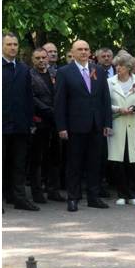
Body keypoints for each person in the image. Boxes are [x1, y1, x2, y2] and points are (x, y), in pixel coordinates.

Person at [54, 40, 113, 212]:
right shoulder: (64, 72)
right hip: (74, 126)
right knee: (74, 163)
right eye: (79, 49)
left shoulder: (98, 71)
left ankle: (93, 197)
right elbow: (59, 102)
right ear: (72, 52)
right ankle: (73, 197)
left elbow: (105, 99)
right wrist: (61, 127)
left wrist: (107, 123)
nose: (83, 52)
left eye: (86, 49)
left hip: (96, 124)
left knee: (95, 163)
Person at [2, 33, 39, 211]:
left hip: (20, 125)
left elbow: (28, 97)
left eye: (15, 44)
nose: (12, 48)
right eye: (9, 44)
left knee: (18, 164)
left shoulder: (24, 69)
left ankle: (19, 198)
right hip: (1, 124)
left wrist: (30, 121)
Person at [106, 51, 135, 206]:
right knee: (118, 160)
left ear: (129, 67)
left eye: (122, 66)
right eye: (117, 65)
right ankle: (122, 194)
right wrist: (118, 109)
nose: (118, 68)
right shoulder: (110, 82)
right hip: (117, 125)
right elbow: (104, 104)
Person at [28, 47, 64, 203]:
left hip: (56, 123)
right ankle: (37, 192)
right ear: (32, 59)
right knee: (37, 158)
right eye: (38, 58)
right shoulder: (29, 75)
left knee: (55, 157)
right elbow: (32, 97)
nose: (41, 60)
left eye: (44, 57)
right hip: (40, 121)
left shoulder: (55, 74)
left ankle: (53, 190)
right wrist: (49, 111)